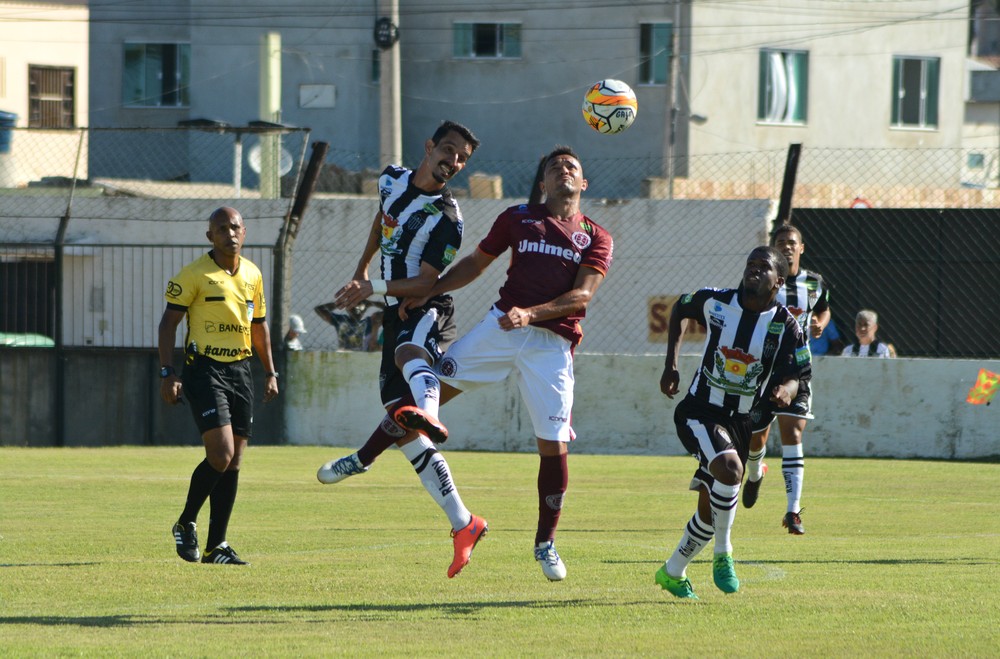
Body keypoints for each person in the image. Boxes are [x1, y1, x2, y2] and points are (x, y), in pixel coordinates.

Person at [322, 145, 614, 582]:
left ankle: (545, 544)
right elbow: (476, 264)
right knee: (424, 391)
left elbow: (583, 295)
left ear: (583, 183)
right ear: (543, 183)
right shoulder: (517, 217)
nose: (563, 171)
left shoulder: (596, 235)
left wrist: (532, 314)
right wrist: (428, 289)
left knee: (553, 443)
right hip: (499, 329)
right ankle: (362, 458)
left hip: (550, 346)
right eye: (554, 167)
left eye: (572, 166)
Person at [316, 120, 487, 579]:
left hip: (427, 306)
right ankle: (463, 522)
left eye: (462, 159)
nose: (453, 162)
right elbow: (382, 221)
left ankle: (415, 417)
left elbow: (428, 282)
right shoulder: (391, 178)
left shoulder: (448, 218)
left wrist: (371, 285)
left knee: (409, 356)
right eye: (448, 151)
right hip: (394, 307)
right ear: (429, 147)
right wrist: (361, 271)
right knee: (404, 427)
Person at [656, 246, 810, 599]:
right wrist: (671, 364)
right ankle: (724, 554)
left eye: (763, 267)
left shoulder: (786, 325)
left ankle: (672, 571)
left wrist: (786, 391)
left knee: (711, 510)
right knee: (729, 469)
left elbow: (798, 374)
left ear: (778, 281)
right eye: (750, 265)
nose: (754, 271)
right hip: (699, 412)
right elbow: (680, 307)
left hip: (741, 422)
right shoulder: (716, 301)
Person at [158, 206, 279, 565]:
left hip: (240, 370)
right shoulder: (194, 275)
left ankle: (216, 547)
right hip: (204, 369)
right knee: (221, 454)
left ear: (245, 232)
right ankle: (185, 521)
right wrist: (168, 373)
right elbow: (168, 325)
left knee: (235, 460)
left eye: (235, 227)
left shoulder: (253, 275)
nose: (230, 234)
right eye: (221, 228)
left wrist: (270, 371)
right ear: (209, 235)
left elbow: (258, 326)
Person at [742, 224, 830, 535]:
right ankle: (754, 474)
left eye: (792, 243)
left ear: (801, 248)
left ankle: (793, 511)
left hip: (797, 368)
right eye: (782, 243)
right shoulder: (765, 282)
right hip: (763, 369)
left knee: (793, 432)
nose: (788, 247)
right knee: (756, 438)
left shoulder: (815, 283)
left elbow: (823, 309)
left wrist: (819, 322)